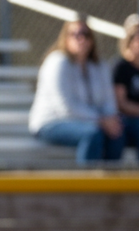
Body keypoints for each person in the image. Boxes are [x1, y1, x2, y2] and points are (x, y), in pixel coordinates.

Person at [29, 17, 123, 163]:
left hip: (90, 121)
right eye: (74, 34)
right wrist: (101, 121)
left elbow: (108, 101)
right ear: (65, 38)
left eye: (85, 34)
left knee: (117, 133)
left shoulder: (99, 66)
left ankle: (110, 183)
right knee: (92, 134)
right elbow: (65, 107)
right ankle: (87, 183)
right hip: (52, 123)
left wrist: (110, 119)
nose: (80, 38)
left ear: (92, 40)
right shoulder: (57, 62)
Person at [111, 14, 139, 163]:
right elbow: (121, 104)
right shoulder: (121, 67)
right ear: (127, 41)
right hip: (129, 120)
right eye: (134, 36)